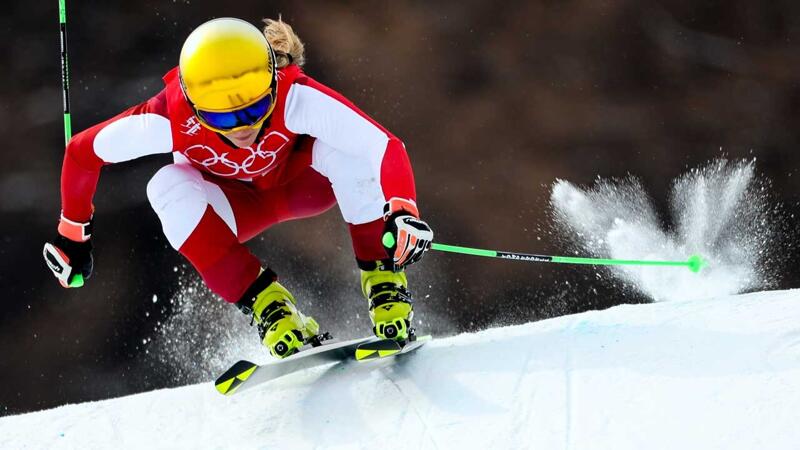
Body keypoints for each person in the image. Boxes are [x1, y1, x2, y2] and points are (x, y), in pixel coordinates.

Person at [43, 17, 434, 359]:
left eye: (253, 109)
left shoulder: (294, 94)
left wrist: (402, 209)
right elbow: (81, 153)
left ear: (271, 83)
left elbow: (383, 144)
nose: (242, 127)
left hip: (305, 187)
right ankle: (272, 310)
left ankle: (386, 290)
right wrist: (73, 233)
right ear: (195, 105)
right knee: (163, 184)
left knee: (349, 149)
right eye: (221, 117)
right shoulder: (167, 117)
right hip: (234, 207)